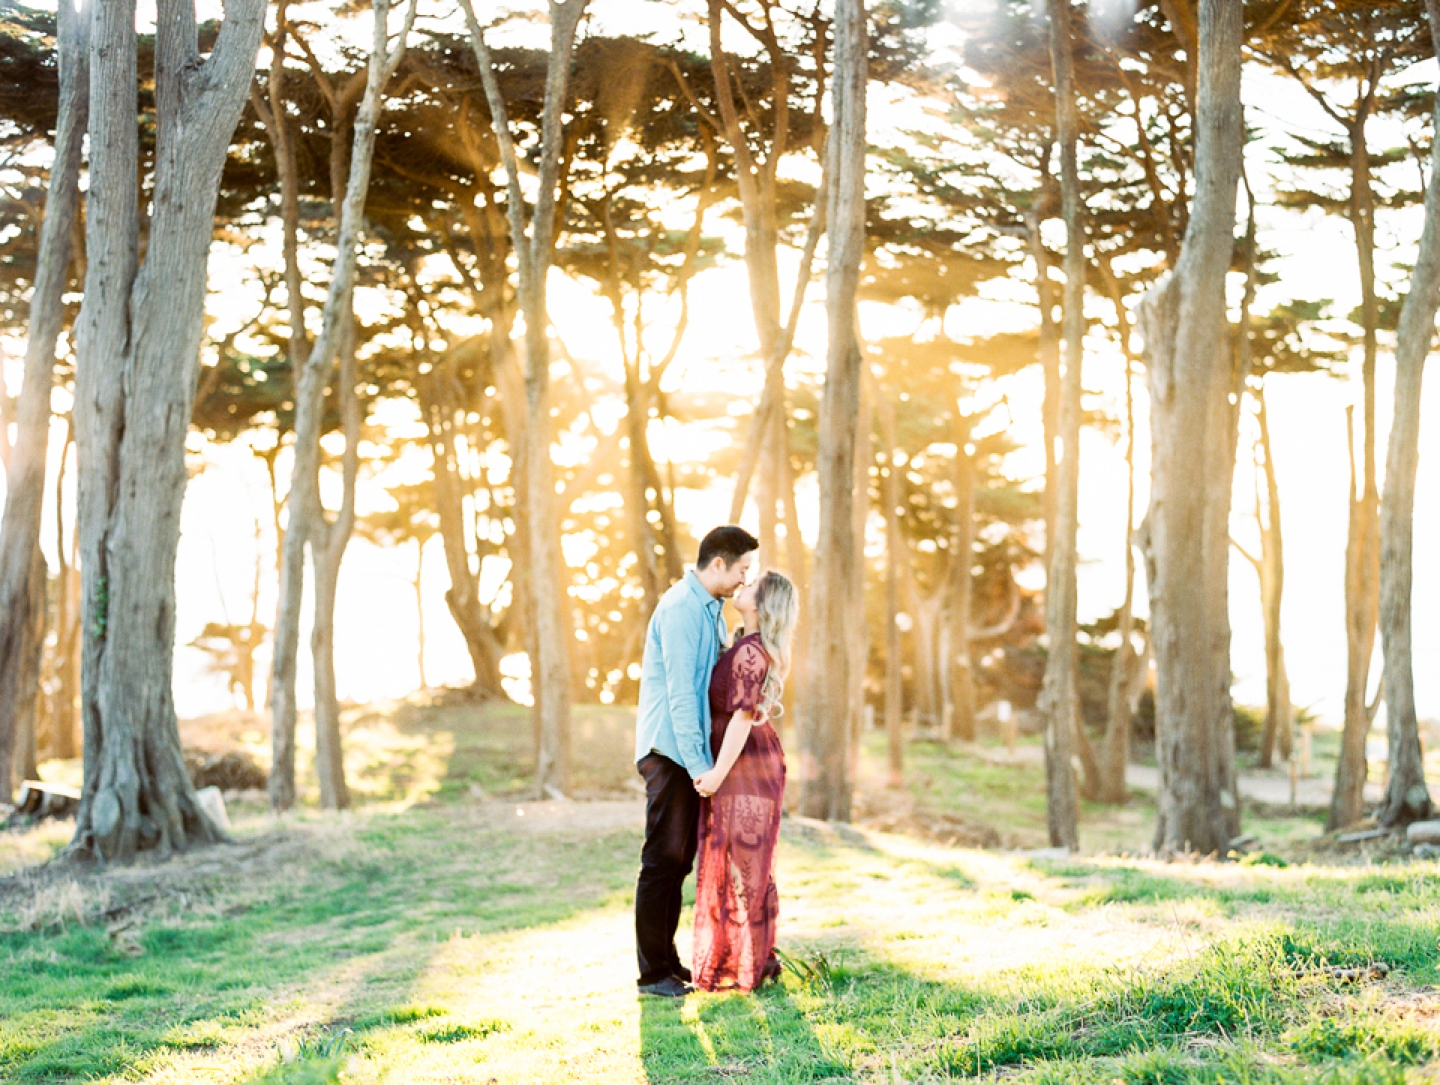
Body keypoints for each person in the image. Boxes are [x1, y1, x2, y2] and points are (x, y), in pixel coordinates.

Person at [634, 525, 758, 998]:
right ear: (719, 563)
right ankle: (652, 974)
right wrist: (699, 767)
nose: (745, 580)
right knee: (661, 862)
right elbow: (683, 697)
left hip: (684, 754)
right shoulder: (684, 610)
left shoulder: (710, 610)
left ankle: (667, 963)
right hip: (670, 753)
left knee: (678, 862)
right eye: (742, 569)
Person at [690, 569, 798, 993]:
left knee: (749, 864)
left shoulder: (752, 653)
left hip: (747, 763)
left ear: (762, 602)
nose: (742, 585)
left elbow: (742, 715)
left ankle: (755, 963)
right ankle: (753, 958)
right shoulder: (742, 644)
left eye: (751, 585)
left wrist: (717, 773)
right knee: (744, 862)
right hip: (740, 759)